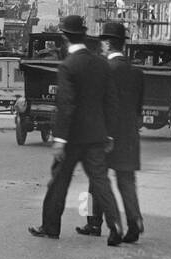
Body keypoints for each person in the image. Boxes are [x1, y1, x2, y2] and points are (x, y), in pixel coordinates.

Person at [29, 15, 123, 246]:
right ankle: (116, 225)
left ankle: (50, 227)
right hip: (96, 136)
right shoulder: (101, 63)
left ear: (64, 38)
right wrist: (109, 134)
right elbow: (111, 102)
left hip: (71, 138)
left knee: (59, 183)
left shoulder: (67, 66)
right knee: (101, 182)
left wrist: (60, 139)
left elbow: (66, 105)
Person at [81, 22, 144, 243]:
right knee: (126, 180)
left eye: (102, 43)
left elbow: (98, 104)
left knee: (95, 178)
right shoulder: (137, 72)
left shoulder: (103, 69)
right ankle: (135, 221)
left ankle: (92, 221)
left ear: (107, 43)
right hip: (129, 136)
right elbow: (138, 109)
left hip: (105, 135)